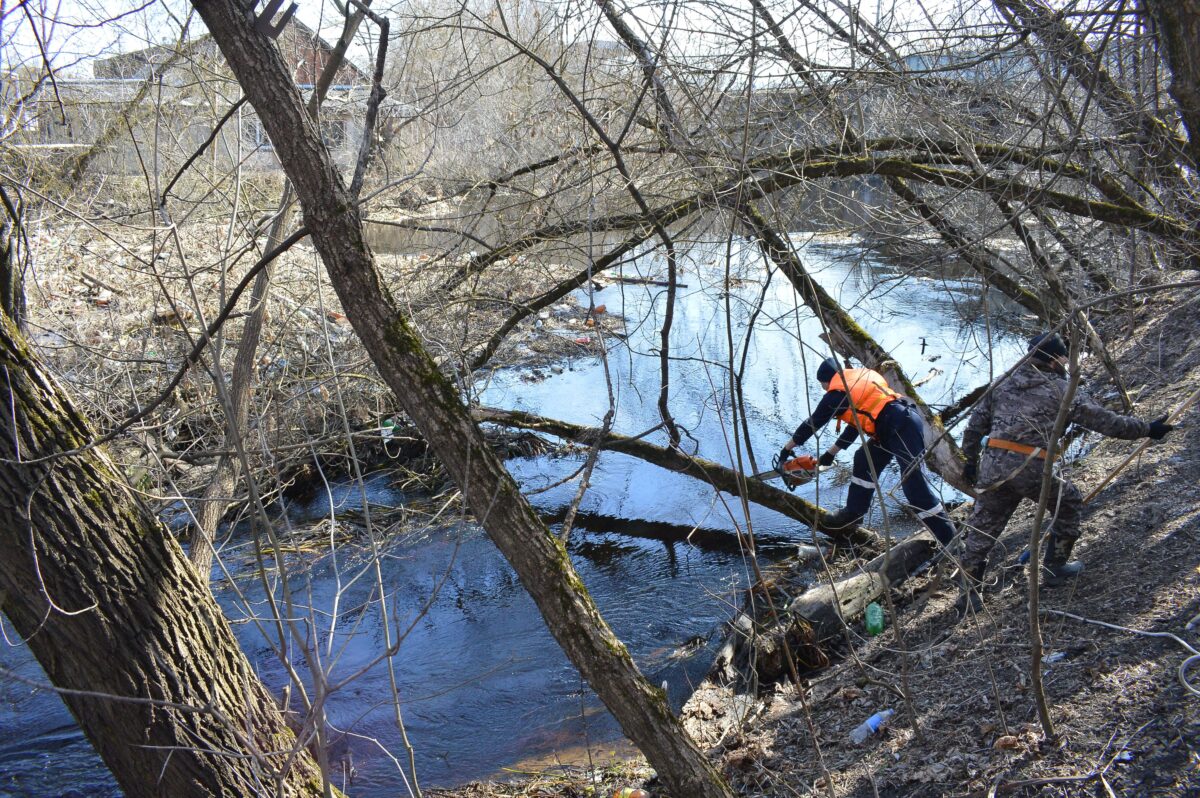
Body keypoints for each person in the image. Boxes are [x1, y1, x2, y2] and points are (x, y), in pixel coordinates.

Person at [956, 332, 1173, 614]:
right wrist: (1147, 429)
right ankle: (1055, 567)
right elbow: (1105, 421)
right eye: (1063, 356)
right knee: (1068, 503)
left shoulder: (1002, 383)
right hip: (1031, 469)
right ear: (1057, 358)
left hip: (993, 467)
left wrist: (970, 463)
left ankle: (968, 595)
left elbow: (974, 428)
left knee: (983, 527)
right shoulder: (1061, 388)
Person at [780, 356, 957, 544]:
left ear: (826, 380)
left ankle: (950, 540)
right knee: (864, 458)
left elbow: (812, 423)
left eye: (823, 385)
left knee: (914, 486)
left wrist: (786, 449)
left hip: (901, 426)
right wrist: (830, 454)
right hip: (890, 425)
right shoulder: (858, 380)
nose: (824, 389)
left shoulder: (837, 393)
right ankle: (853, 513)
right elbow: (857, 424)